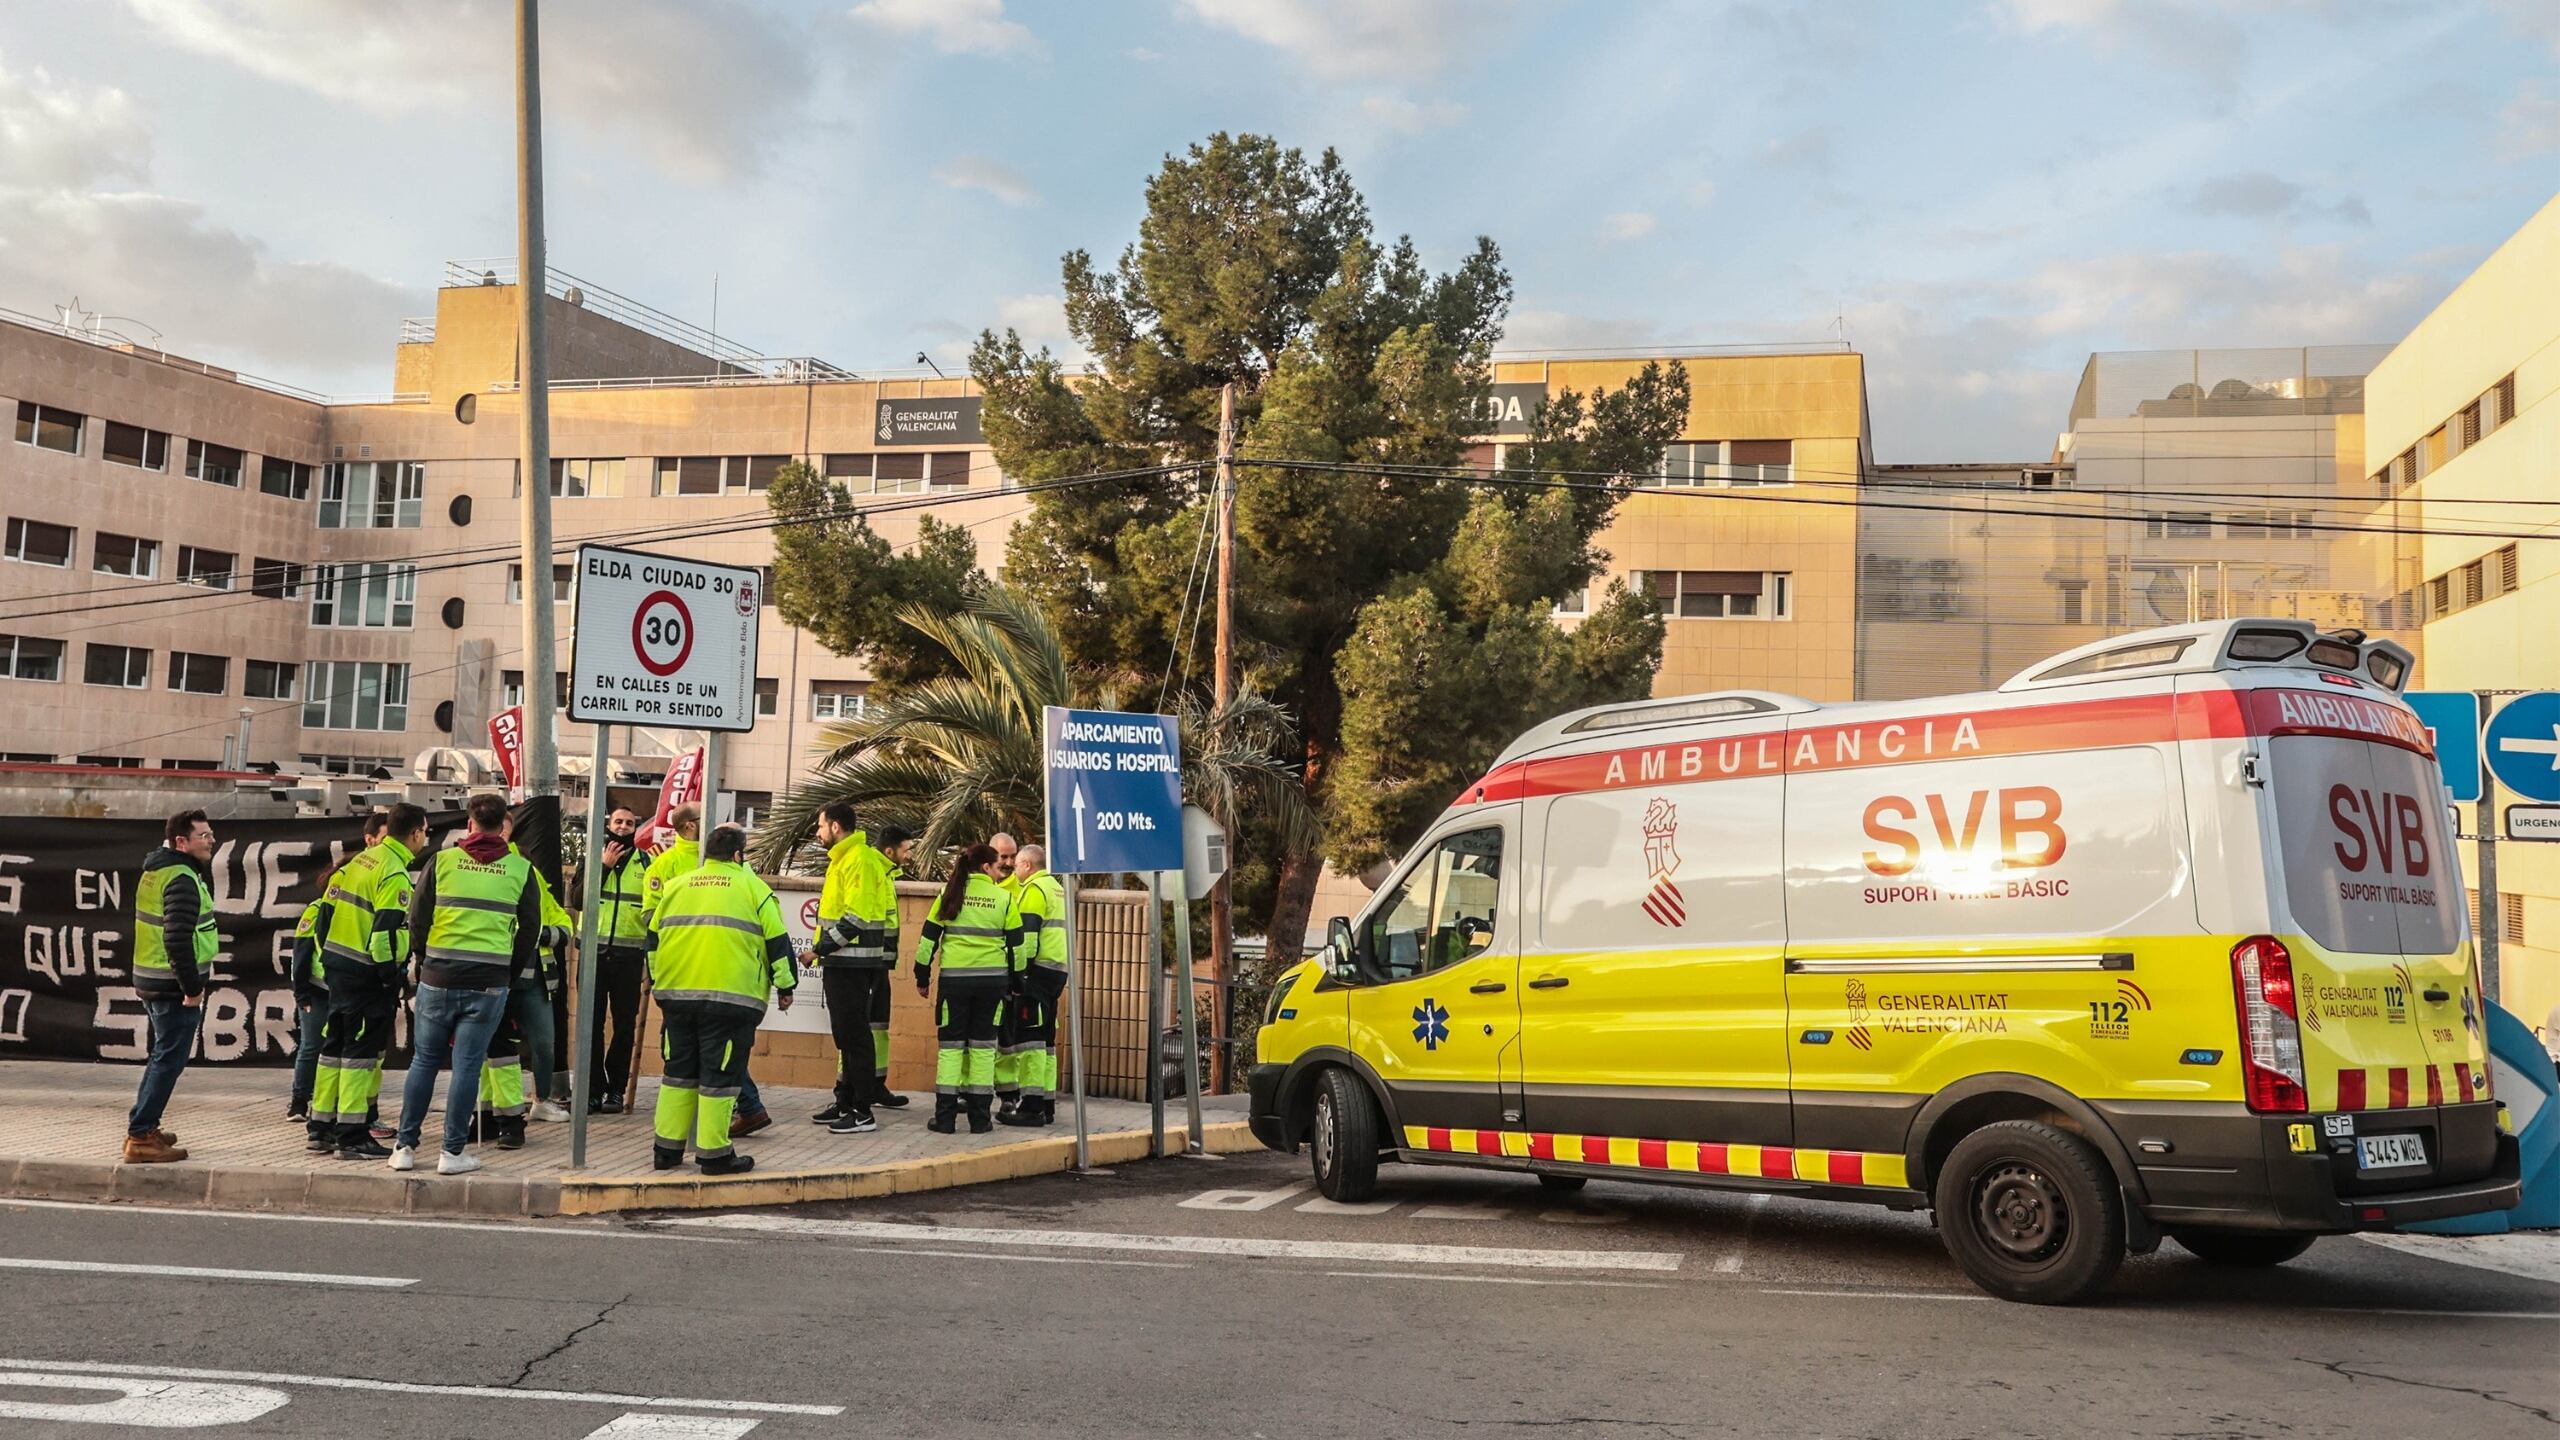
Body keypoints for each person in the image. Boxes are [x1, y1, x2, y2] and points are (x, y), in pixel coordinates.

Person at [395, 793, 541, 1176]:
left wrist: (424, 960)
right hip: (489, 981)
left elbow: (418, 917)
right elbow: (531, 929)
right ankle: (452, 1153)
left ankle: (404, 1148)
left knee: (424, 1061)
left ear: (470, 823)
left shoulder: (442, 861)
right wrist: (508, 972)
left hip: (438, 976)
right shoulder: (520, 869)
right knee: (467, 1067)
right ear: (503, 826)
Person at [648, 825, 795, 1175]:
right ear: (738, 855)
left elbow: (652, 941)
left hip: (677, 998)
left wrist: (659, 981)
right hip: (731, 1001)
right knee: (720, 1078)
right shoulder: (753, 888)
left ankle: (666, 1151)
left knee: (678, 1074)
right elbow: (777, 942)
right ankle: (714, 1155)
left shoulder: (677, 886)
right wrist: (786, 986)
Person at [305, 805, 428, 1160]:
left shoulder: (357, 862)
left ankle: (321, 1127)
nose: (425, 838)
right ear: (415, 833)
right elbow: (385, 935)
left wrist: (331, 960)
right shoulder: (394, 873)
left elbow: (324, 918)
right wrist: (390, 977)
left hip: (339, 968)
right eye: (425, 832)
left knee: (334, 1048)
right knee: (360, 1054)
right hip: (366, 975)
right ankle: (352, 1136)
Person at [124, 809, 217, 1164]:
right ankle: (141, 1135)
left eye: (210, 834)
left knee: (162, 1057)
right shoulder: (181, 878)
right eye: (203, 836)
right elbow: (177, 939)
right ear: (181, 841)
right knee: (168, 1061)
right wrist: (192, 989)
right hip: (172, 985)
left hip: (154, 978)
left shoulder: (157, 869)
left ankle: (144, 1126)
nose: (211, 841)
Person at [290, 813, 391, 1123]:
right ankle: (299, 1102)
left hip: (345, 988)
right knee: (313, 1046)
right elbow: (302, 953)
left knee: (345, 1051)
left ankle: (337, 1110)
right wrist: (302, 994)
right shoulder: (317, 909)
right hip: (320, 990)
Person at [916, 843, 1022, 1135]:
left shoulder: (948, 894)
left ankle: (945, 1119)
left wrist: (922, 977)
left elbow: (927, 941)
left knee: (951, 1050)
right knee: (983, 1050)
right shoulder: (1004, 899)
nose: (1000, 872)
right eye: (998, 867)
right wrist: (1017, 982)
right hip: (992, 985)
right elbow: (1018, 948)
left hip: (955, 984)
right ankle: (980, 1120)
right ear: (986, 867)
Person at [809, 803, 897, 1135]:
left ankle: (862, 1111)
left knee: (856, 1036)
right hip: (841, 962)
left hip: (853, 963)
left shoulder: (858, 859)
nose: (817, 832)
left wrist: (819, 949)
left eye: (820, 826)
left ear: (835, 826)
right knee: (846, 1035)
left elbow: (855, 918)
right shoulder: (843, 859)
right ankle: (845, 1102)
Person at [583, 805, 650, 1114]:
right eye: (618, 822)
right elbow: (577, 899)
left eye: (629, 823)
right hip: (594, 955)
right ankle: (592, 1090)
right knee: (591, 1025)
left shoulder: (646, 863)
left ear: (635, 828)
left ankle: (616, 1090)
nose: (623, 827)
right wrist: (604, 867)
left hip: (629, 957)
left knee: (624, 1026)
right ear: (609, 825)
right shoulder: (593, 858)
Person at [998, 844, 1070, 1128]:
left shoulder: (1034, 890)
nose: (1014, 869)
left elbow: (1027, 938)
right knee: (1046, 1040)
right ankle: (1046, 1103)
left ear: (1027, 865)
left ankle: (1031, 1106)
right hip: (1056, 971)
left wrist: (1019, 974)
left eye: (1017, 864)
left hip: (1036, 973)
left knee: (1030, 1040)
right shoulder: (1056, 888)